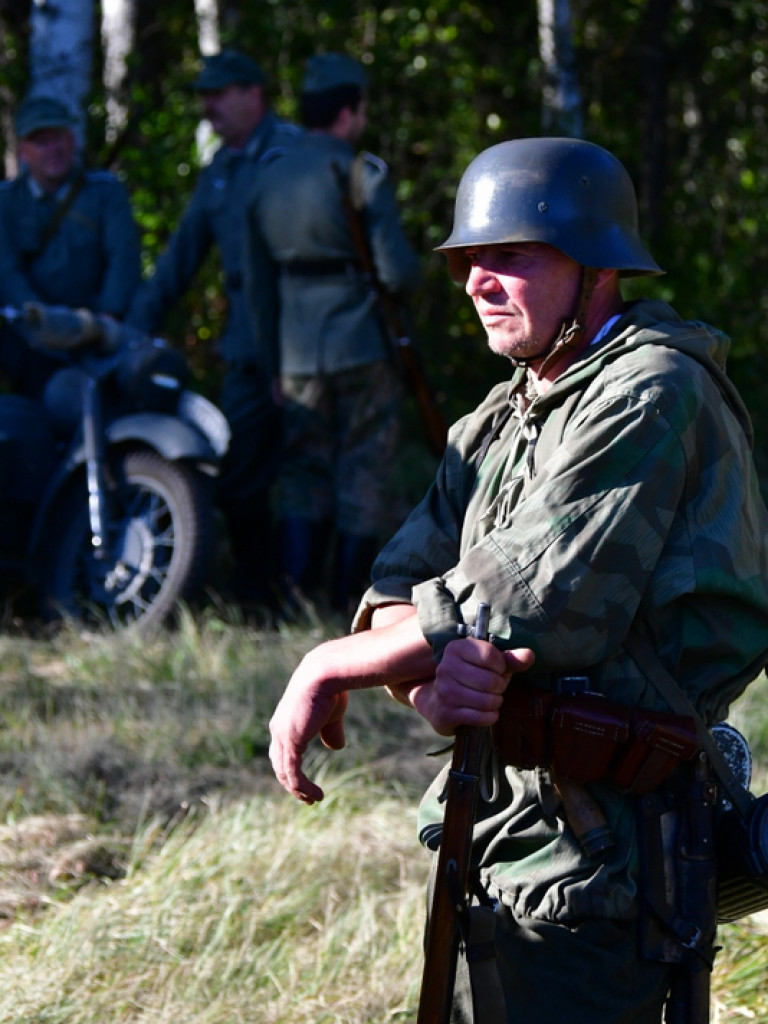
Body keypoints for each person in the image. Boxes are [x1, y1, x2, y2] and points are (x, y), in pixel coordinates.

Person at [268, 137, 768, 1023]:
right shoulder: (500, 416)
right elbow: (401, 585)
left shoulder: (652, 392)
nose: (476, 281)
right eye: (469, 259)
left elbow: (530, 603)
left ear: (596, 265)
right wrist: (427, 683)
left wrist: (332, 664)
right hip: (497, 832)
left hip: (609, 865)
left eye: (511, 257)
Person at [243, 52, 421, 613]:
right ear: (349, 110)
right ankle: (348, 594)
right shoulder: (361, 173)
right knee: (363, 465)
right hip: (360, 343)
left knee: (302, 469)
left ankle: (295, 590)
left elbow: (257, 287)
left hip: (295, 351)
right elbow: (397, 273)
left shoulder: (266, 175)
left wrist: (273, 361)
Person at [127, 49, 301, 606]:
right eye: (203, 95)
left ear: (254, 93)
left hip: (310, 342)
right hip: (248, 346)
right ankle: (257, 592)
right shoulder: (220, 172)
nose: (207, 107)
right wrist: (131, 332)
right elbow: (179, 261)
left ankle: (318, 592)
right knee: (241, 474)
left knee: (313, 474)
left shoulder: (297, 152)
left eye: (218, 94)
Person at [0, 94, 141, 399]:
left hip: (97, 330)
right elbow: (7, 271)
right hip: (31, 339)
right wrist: (40, 324)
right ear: (23, 150)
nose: (54, 149)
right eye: (41, 142)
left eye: (59, 138)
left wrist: (107, 318)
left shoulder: (104, 193)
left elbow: (123, 258)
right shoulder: (7, 202)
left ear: (73, 140)